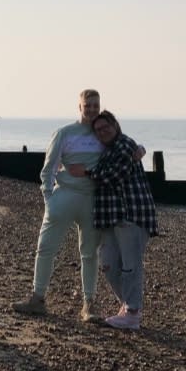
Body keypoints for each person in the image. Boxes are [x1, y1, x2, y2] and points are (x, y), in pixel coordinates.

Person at [13, 89, 105, 322]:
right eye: (88, 105)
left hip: (92, 199)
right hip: (64, 196)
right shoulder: (64, 133)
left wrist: (139, 149)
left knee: (89, 254)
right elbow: (48, 168)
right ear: (80, 107)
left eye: (96, 105)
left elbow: (123, 150)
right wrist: (49, 199)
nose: (92, 109)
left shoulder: (104, 134)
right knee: (46, 248)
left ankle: (89, 304)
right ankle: (37, 298)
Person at [68, 110, 157, 331]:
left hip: (131, 213)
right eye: (98, 130)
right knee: (108, 264)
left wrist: (86, 172)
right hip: (110, 217)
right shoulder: (108, 150)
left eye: (106, 127)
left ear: (115, 125)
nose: (103, 132)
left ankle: (132, 313)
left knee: (130, 266)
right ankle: (128, 306)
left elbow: (113, 175)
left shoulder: (125, 145)